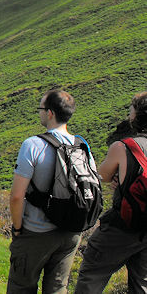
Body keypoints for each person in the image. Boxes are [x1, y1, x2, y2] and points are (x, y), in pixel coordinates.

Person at [7, 89, 96, 293]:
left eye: (41, 108)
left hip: (37, 231)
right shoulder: (82, 145)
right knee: (57, 287)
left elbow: (17, 196)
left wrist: (18, 228)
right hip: (71, 233)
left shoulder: (33, 145)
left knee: (21, 286)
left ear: (50, 113)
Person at [75, 92, 147, 293]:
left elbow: (101, 177)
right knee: (142, 285)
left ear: (137, 116)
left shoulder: (124, 147)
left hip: (121, 227)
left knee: (92, 275)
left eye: (131, 111)